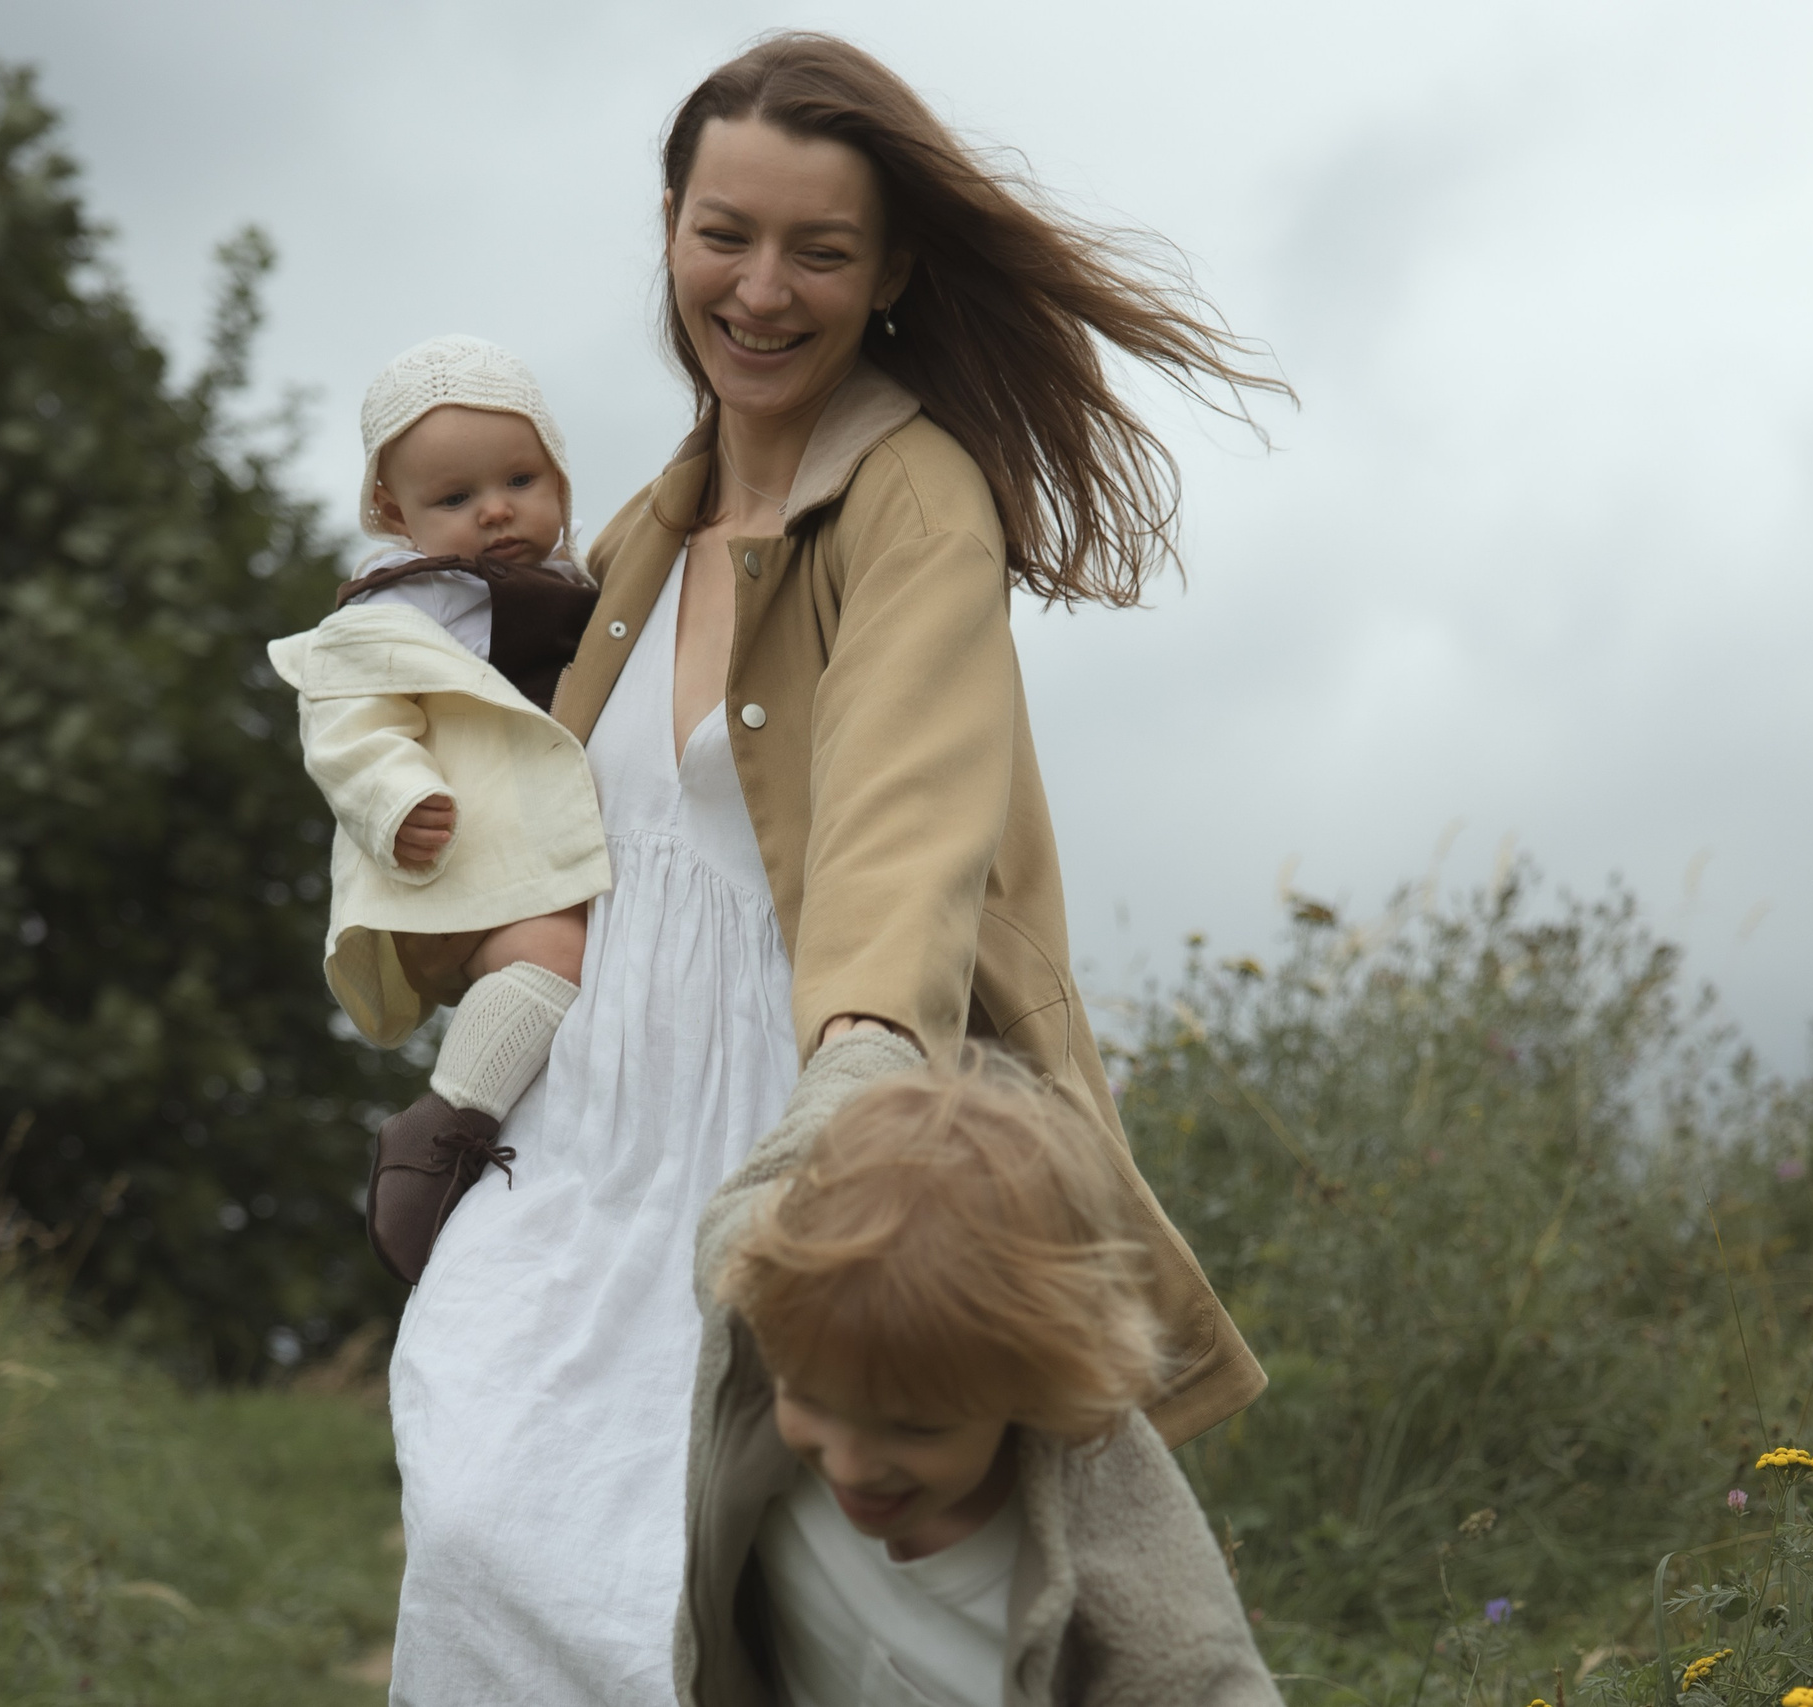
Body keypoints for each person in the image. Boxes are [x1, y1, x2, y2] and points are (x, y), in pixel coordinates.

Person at [384, 33, 1286, 1703]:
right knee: (481, 1512)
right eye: (724, 233)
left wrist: (856, 1068)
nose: (760, 289)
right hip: (578, 1133)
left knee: (678, 1589)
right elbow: (550, 827)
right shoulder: (638, 535)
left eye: (819, 249)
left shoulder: (917, 499)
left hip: (784, 1114)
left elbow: (905, 818)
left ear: (891, 273)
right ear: (671, 227)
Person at [682, 1037, 1281, 1707]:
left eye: (914, 1427)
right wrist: (870, 1036)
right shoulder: (767, 1300)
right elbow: (797, 1139)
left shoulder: (1139, 1617)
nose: (850, 1465)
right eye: (809, 1399)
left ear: (1038, 1385)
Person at [267, 335, 607, 1281]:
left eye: (520, 480)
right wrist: (396, 797)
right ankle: (441, 1130)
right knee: (558, 954)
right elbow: (348, 723)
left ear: (558, 473)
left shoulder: (586, 587)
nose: (495, 510)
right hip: (464, 858)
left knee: (599, 971)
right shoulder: (402, 610)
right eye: (455, 498)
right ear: (395, 512)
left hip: (548, 856)